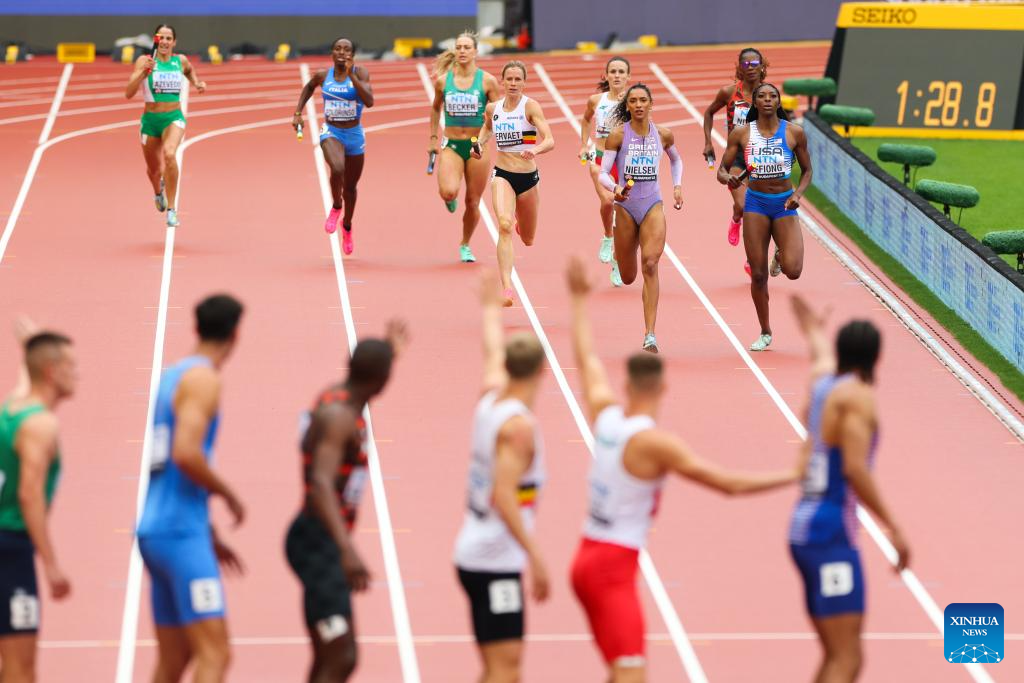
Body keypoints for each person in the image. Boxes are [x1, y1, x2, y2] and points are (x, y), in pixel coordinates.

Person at [565, 256, 797, 683]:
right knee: (632, 673)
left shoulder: (607, 417)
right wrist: (792, 475)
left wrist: (579, 302)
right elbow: (726, 484)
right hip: (612, 568)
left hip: (585, 557)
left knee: (621, 671)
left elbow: (587, 363)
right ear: (663, 387)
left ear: (628, 385)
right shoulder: (655, 443)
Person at [788, 295, 909, 683]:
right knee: (848, 658)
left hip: (805, 525)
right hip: (831, 532)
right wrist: (895, 527)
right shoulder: (858, 398)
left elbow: (821, 356)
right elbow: (856, 467)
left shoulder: (824, 386)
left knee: (836, 655)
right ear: (876, 359)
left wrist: (813, 331)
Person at [286, 320, 408, 683]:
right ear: (381, 380)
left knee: (334, 654)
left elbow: (369, 373)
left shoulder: (340, 396)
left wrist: (389, 351)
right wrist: (346, 549)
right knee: (342, 654)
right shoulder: (340, 418)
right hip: (318, 543)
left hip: (321, 539)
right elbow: (321, 484)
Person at [135, 295, 246, 683]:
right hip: (179, 533)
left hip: (158, 529)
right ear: (235, 334)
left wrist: (209, 531)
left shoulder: (172, 376)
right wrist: (228, 494)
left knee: (173, 660)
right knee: (215, 652)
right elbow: (185, 453)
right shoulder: (204, 379)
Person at [454, 272, 550, 683]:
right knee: (506, 671)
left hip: (476, 550)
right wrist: (536, 555)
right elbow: (503, 496)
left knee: (497, 668)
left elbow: (492, 350)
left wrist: (490, 308)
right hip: (495, 559)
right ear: (541, 372)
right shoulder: (518, 428)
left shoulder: (491, 393)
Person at [0, 320, 75, 683]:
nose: (78, 375)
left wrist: (30, 344)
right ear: (51, 371)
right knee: (21, 668)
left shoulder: (14, 408)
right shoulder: (41, 425)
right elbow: (29, 495)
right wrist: (51, 563)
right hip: (10, 549)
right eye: (70, 366)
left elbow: (26, 379)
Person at [719, 83, 812, 352]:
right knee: (758, 275)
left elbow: (807, 171)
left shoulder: (794, 133)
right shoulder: (742, 134)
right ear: (755, 103)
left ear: (778, 101)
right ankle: (765, 330)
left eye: (773, 96)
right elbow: (722, 170)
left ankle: (781, 255)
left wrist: (799, 195)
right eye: (762, 96)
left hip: (783, 204)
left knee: (794, 271)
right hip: (756, 204)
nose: (768, 100)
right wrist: (730, 178)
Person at [598, 84, 683, 353]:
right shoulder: (617, 136)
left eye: (642, 100)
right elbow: (603, 173)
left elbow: (676, 161)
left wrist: (677, 186)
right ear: (628, 106)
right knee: (628, 276)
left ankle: (650, 334)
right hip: (625, 207)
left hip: (652, 204)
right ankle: (620, 250)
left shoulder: (664, 135)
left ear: (650, 104)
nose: (637, 104)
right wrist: (615, 188)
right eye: (633, 101)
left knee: (650, 264)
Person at [471, 61, 555, 307]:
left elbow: (550, 139)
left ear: (524, 82)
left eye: (519, 79)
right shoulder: (493, 108)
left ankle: (521, 224)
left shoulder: (530, 107)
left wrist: (536, 149)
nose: (514, 83)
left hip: (528, 179)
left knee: (528, 238)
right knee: (504, 226)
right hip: (503, 174)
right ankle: (507, 287)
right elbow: (485, 130)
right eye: (510, 79)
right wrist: (479, 145)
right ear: (503, 82)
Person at [293, 38, 374, 254]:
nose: (342, 52)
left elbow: (369, 100)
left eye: (347, 50)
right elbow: (308, 88)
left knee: (351, 188)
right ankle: (336, 206)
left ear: (353, 55)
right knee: (337, 168)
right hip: (332, 131)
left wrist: (351, 76)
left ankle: (347, 226)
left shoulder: (361, 73)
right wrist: (298, 113)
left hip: (354, 134)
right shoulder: (323, 76)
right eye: (338, 48)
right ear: (332, 52)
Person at [428, 31, 500, 263]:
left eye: (466, 47)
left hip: (476, 144)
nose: (461, 51)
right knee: (448, 191)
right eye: (458, 47)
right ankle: (449, 198)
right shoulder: (443, 81)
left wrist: (489, 136)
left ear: (476, 52)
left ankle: (465, 244)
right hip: (452, 144)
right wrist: (432, 138)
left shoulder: (487, 81)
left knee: (473, 201)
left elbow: (497, 112)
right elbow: (435, 108)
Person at [125, 24, 206, 228]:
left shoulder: (180, 61)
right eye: (162, 37)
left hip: (173, 118)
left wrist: (196, 83)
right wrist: (143, 74)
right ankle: (157, 192)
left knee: (170, 155)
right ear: (156, 40)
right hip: (150, 122)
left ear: (174, 42)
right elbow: (128, 92)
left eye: (169, 38)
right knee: (153, 171)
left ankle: (171, 210)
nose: (165, 41)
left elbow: (189, 70)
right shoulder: (145, 61)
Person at [702, 48, 768, 252]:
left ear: (761, 66)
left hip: (760, 158)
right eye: (746, 64)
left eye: (754, 64)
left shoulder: (768, 94)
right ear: (740, 67)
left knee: (758, 213)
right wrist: (708, 142)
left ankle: (752, 260)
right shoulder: (728, 92)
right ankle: (736, 218)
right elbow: (709, 112)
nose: (750, 68)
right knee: (743, 205)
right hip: (736, 158)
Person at [578, 56, 631, 272]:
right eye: (613, 71)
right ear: (607, 75)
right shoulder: (595, 100)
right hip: (599, 156)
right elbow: (585, 120)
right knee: (609, 201)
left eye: (621, 72)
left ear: (628, 76)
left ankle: (617, 262)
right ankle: (608, 236)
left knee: (624, 210)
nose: (617, 75)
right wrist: (584, 144)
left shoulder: (634, 100)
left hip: (626, 160)